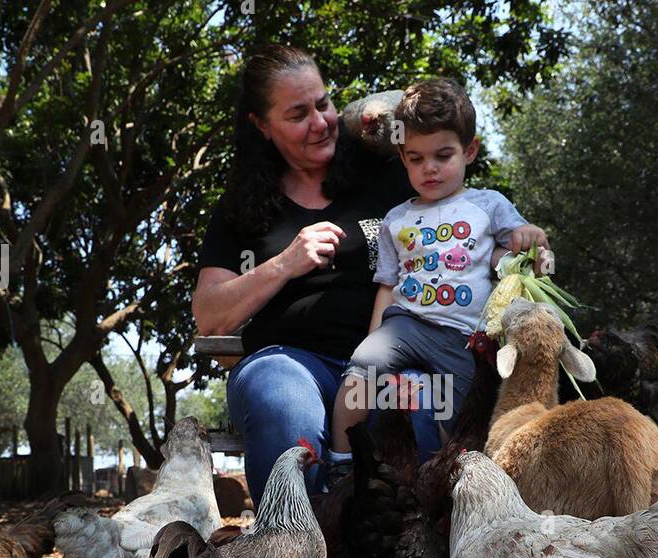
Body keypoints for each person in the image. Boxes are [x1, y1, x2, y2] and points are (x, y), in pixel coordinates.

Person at [192, 46, 548, 504]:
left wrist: (518, 251)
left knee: (423, 402)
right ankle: (291, 557)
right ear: (262, 126)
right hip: (291, 361)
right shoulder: (242, 208)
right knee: (283, 400)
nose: (320, 123)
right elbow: (210, 316)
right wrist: (284, 263)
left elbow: (465, 237)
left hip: (407, 357)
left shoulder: (393, 172)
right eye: (298, 114)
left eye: (323, 104)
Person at [323, 77, 549, 488]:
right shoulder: (396, 219)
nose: (429, 168)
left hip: (463, 334)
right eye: (415, 158)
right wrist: (374, 339)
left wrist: (531, 237)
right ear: (403, 159)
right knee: (358, 378)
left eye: (443, 155)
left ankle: (451, 483)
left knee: (462, 413)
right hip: (405, 326)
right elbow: (387, 286)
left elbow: (520, 243)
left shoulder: (488, 205)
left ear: (470, 150)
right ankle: (340, 463)